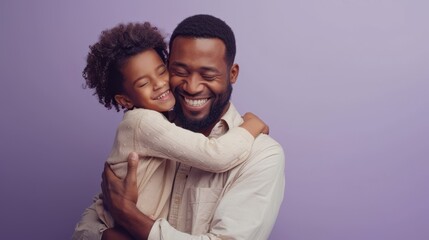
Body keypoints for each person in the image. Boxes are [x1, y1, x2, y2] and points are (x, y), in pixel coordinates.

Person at [72, 22, 269, 239]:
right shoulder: (142, 122)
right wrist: (251, 124)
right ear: (125, 100)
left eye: (161, 72)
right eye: (143, 83)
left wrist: (126, 212)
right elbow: (216, 155)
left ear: (232, 73)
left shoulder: (263, 155)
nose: (159, 85)